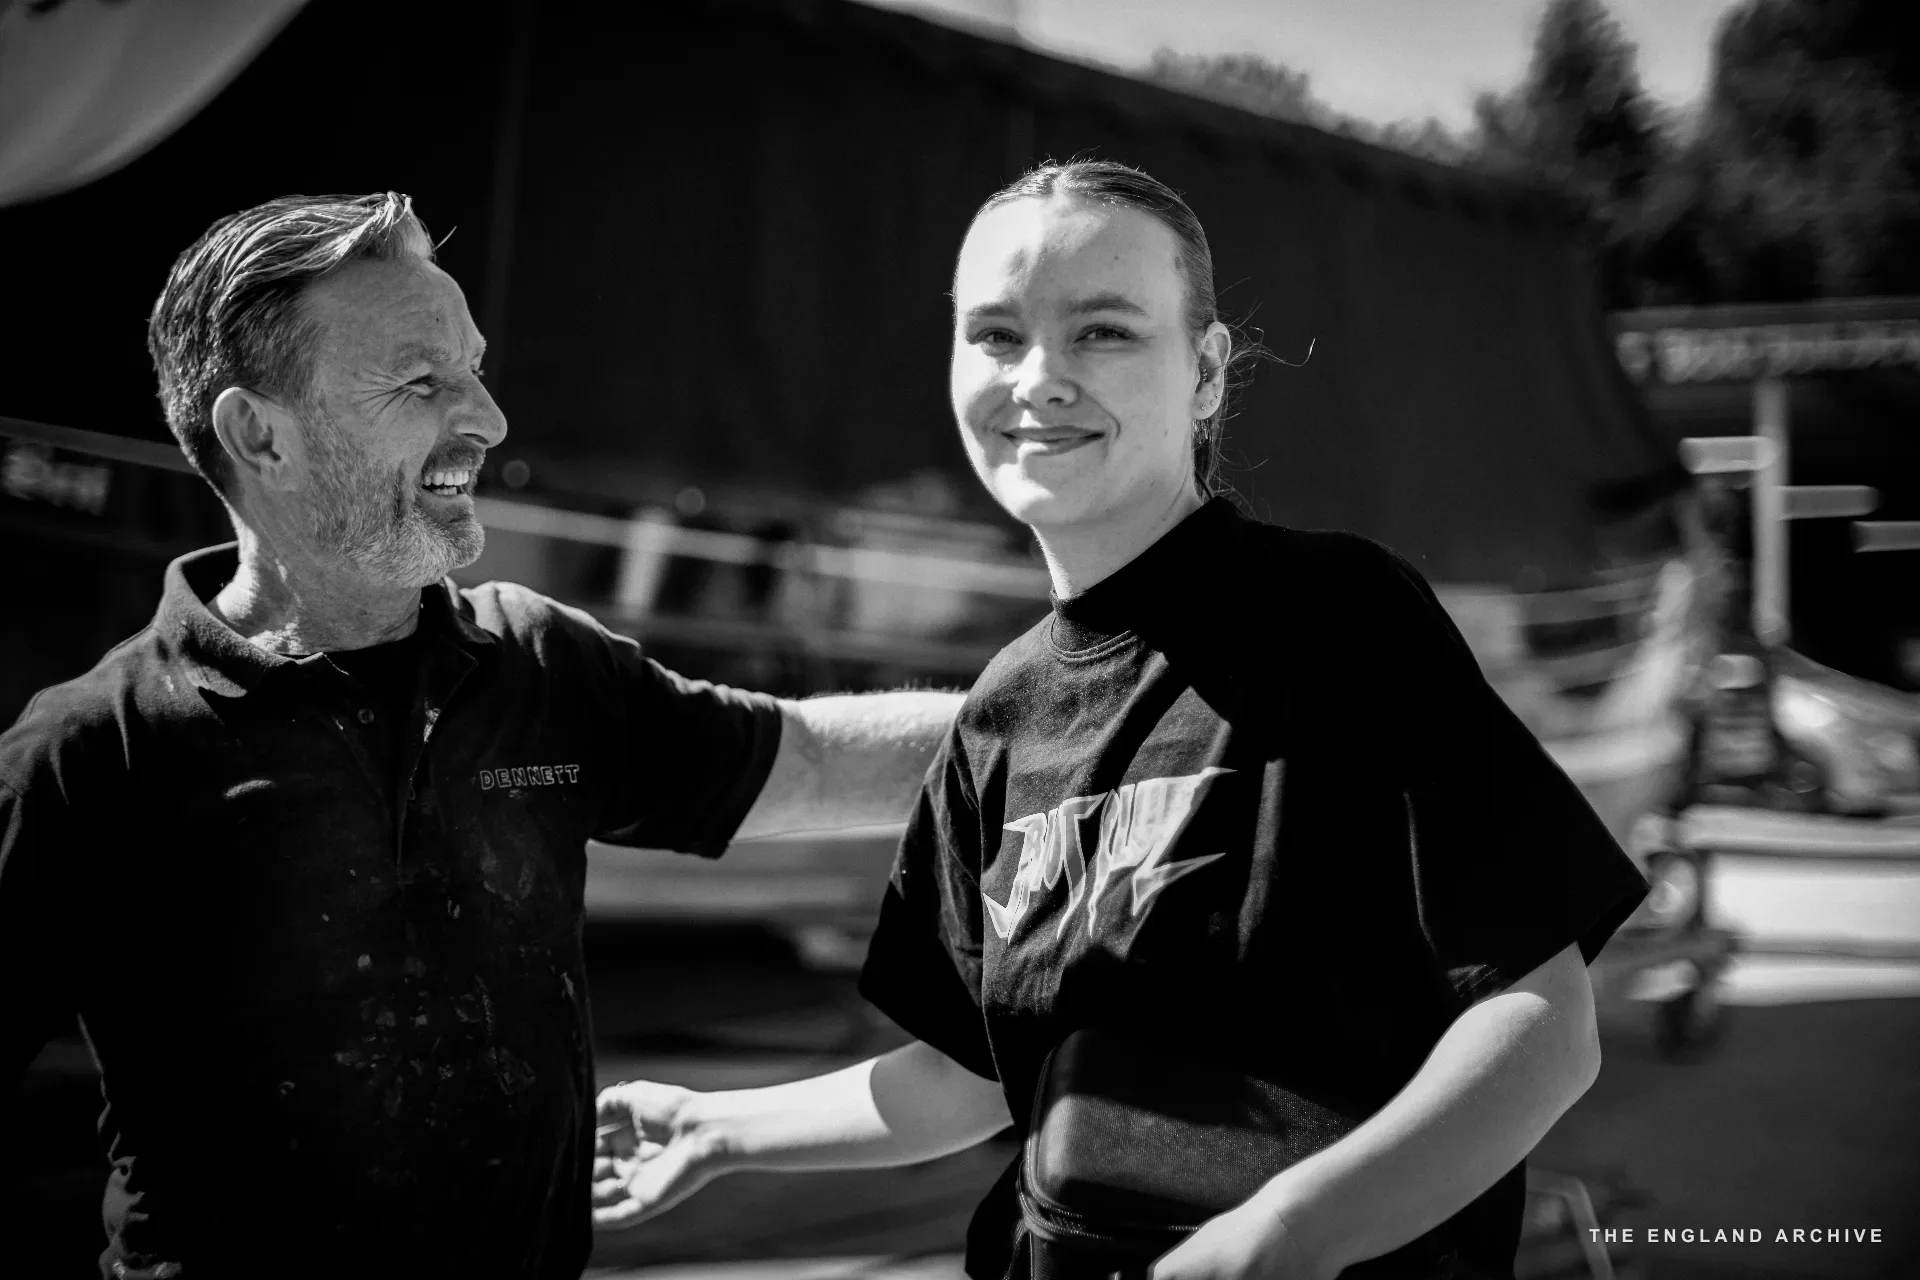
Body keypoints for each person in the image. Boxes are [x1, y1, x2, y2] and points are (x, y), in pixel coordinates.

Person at [591, 161, 1651, 1280]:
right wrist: (718, 1129)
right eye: (996, 334)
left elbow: (1543, 1027)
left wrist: (1287, 1237)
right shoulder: (1001, 715)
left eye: (1102, 332)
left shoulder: (1339, 619)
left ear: (1204, 373)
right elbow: (971, 1074)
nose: (1038, 378)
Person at [0, 192, 963, 1280]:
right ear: (257, 432)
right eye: (423, 380)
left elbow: (821, 758)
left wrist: (1102, 715)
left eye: (476, 367)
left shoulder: (539, 665)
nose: (489, 419)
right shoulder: (91, 754)